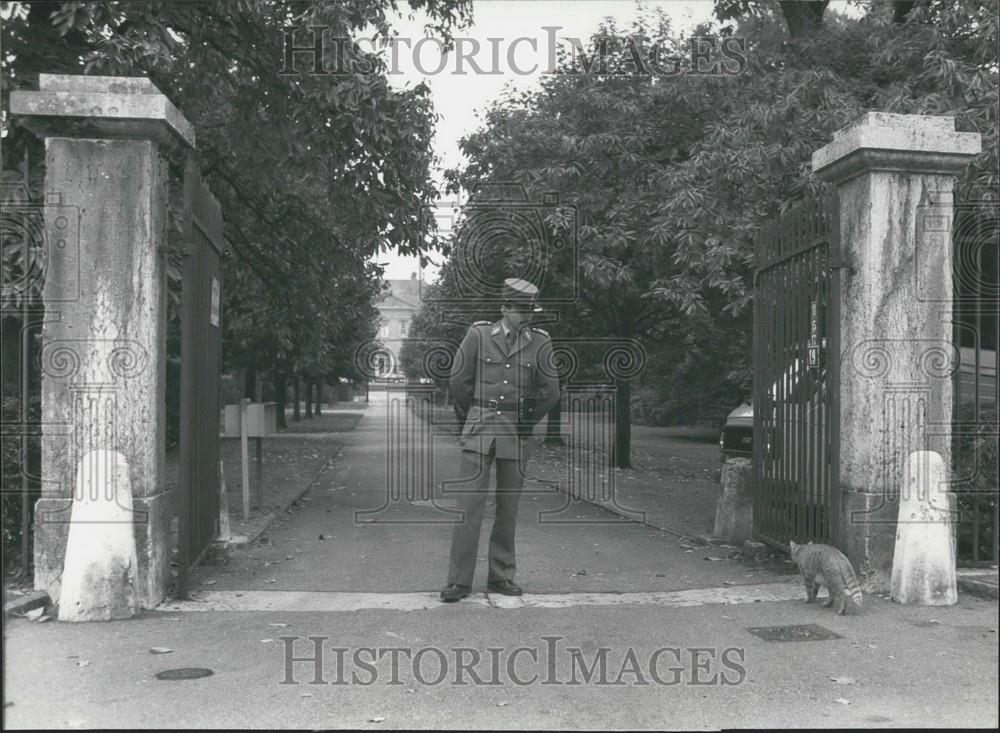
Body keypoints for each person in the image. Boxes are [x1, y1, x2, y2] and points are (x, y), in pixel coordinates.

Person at [440, 278, 560, 602]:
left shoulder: (541, 343)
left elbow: (551, 391)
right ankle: (459, 581)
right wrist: (476, 412)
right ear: (505, 308)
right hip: (481, 427)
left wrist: (526, 420)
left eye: (530, 310)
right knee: (469, 506)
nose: (527, 316)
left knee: (508, 508)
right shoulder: (478, 335)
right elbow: (458, 381)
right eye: (520, 310)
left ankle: (501, 576)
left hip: (516, 430)